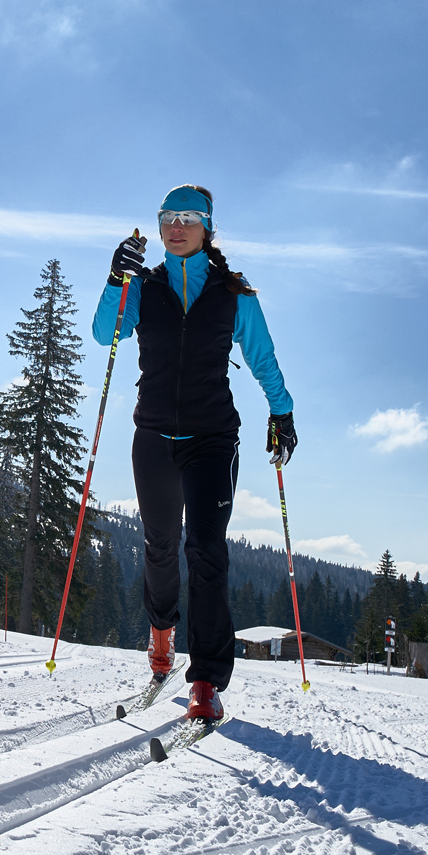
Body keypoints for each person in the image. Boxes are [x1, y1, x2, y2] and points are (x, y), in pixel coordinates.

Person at [94, 184, 294, 722]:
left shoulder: (233, 291)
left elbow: (262, 356)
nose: (177, 226)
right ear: (158, 227)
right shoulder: (144, 284)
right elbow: (103, 332)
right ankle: (162, 632)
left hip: (212, 438)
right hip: (154, 436)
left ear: (207, 227)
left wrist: (282, 412)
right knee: (159, 546)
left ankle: (205, 679)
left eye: (188, 217)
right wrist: (117, 279)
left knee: (205, 549)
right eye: (168, 217)